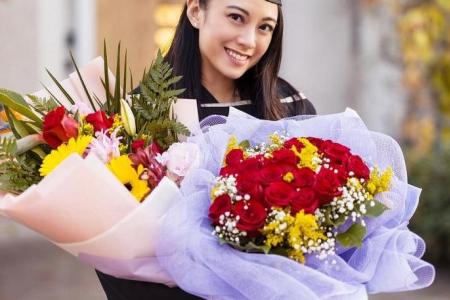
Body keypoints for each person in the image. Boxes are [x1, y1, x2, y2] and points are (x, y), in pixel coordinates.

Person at [96, 0, 316, 299]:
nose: (249, 41)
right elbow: (118, 248)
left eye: (265, 27)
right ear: (195, 11)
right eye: (236, 17)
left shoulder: (290, 106)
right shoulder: (144, 114)